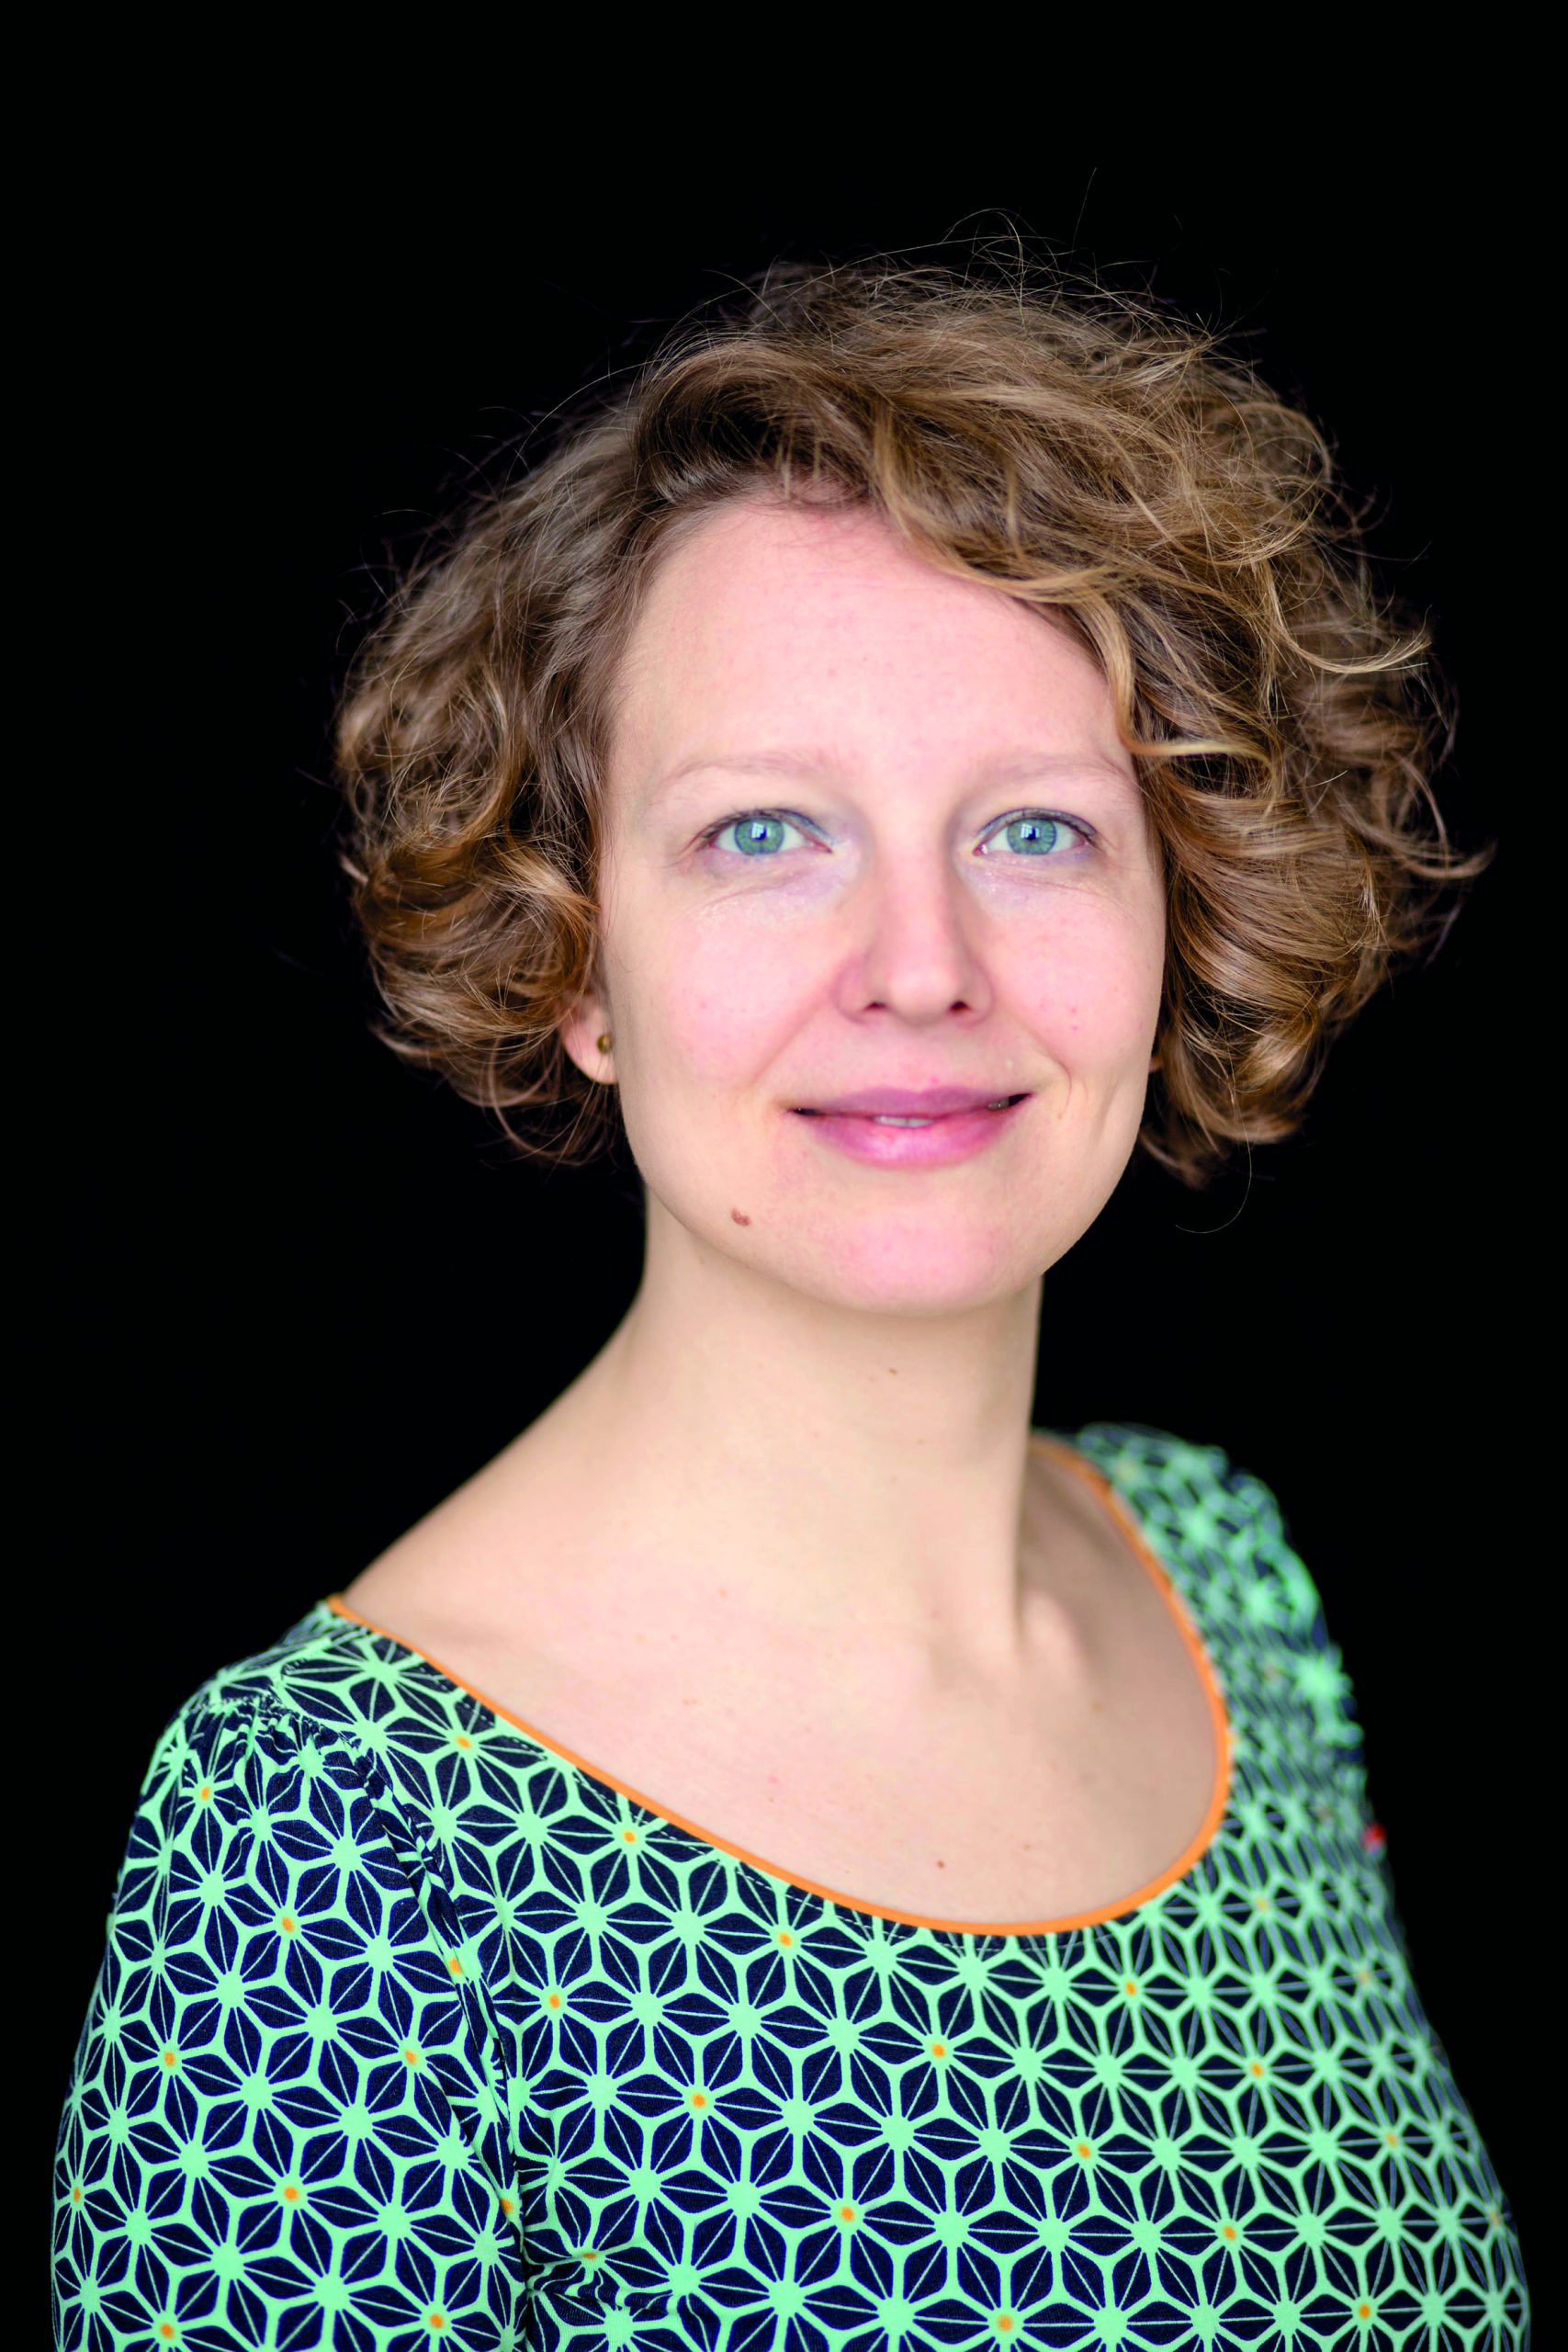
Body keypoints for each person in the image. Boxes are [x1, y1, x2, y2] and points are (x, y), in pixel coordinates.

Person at [53, 248, 1529, 2346]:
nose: (919, 966)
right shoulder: (332, 1842)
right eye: (763, 832)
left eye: (1036, 830)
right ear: (576, 957)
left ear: (1177, 906)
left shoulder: (1224, 1576)